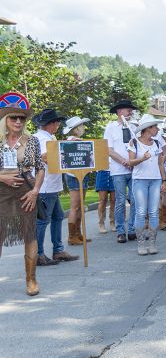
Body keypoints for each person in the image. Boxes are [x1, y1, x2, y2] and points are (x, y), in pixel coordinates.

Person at [0, 103, 44, 295]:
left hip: (26, 191)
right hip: (1, 191)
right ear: (6, 120)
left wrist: (35, 191)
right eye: (13, 117)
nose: (18, 121)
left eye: (22, 118)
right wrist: (3, 178)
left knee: (29, 234)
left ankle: (31, 280)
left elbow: (40, 168)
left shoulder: (32, 140)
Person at [33, 108, 79, 265]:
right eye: (57, 122)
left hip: (50, 185)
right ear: (50, 124)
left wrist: (64, 145)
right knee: (42, 221)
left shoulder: (47, 137)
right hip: (45, 186)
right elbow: (44, 157)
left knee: (58, 216)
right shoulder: (41, 139)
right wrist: (65, 146)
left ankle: (58, 250)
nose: (58, 125)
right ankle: (38, 254)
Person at [128, 115, 166, 256]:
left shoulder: (157, 143)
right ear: (148, 128)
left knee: (154, 212)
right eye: (155, 126)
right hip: (139, 180)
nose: (157, 129)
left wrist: (164, 180)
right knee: (140, 212)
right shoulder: (134, 142)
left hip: (155, 180)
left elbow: (160, 164)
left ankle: (152, 243)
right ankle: (141, 243)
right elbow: (130, 162)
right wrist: (142, 158)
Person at [104, 99, 138, 243]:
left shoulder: (134, 127)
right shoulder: (111, 127)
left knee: (135, 199)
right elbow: (109, 150)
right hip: (118, 170)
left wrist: (133, 161)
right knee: (120, 201)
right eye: (127, 109)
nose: (130, 112)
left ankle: (131, 229)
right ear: (119, 112)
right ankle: (120, 231)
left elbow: (137, 146)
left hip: (133, 169)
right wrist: (124, 161)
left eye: (131, 110)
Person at [62, 116, 92, 245]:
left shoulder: (79, 141)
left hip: (82, 174)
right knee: (75, 207)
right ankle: (71, 236)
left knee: (79, 206)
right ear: (76, 129)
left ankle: (78, 233)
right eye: (82, 126)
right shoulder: (71, 141)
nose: (83, 128)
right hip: (74, 176)